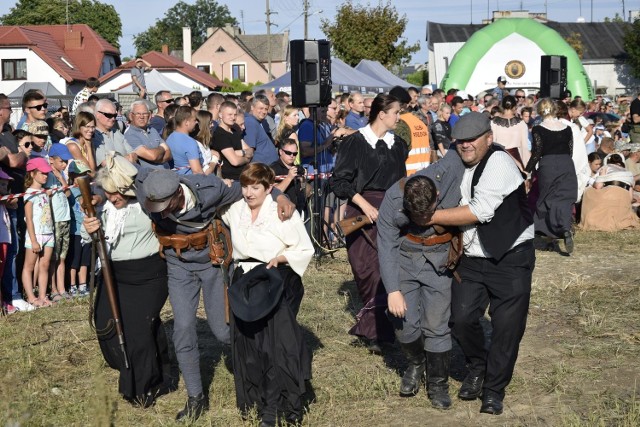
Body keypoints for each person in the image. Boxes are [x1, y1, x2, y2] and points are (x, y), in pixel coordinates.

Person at [135, 167, 295, 421]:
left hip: (212, 262)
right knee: (183, 329)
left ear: (178, 192)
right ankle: (196, 398)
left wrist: (280, 196)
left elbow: (249, 188)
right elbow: (116, 176)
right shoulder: (146, 186)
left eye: (166, 205)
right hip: (178, 265)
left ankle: (261, 367)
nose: (161, 212)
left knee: (222, 330)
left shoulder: (210, 190)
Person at [429, 112, 535, 416]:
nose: (465, 146)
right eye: (460, 140)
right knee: (460, 319)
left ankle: (493, 390)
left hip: (511, 257)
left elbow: (480, 210)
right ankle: (477, 366)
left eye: (471, 139)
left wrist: (431, 218)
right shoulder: (454, 160)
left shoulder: (499, 162)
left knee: (506, 328)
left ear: (489, 138)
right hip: (472, 259)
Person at [220, 163, 314, 426]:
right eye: (245, 187)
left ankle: (277, 407)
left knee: (276, 347)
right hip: (243, 281)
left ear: (268, 188)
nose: (249, 193)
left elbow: (304, 249)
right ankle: (257, 401)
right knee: (249, 345)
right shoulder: (234, 209)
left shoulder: (281, 212)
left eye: (256, 188)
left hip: (274, 278)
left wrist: (281, 257)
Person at [82, 153, 176, 407]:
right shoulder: (102, 208)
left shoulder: (149, 205)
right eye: (108, 192)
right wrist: (90, 227)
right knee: (106, 326)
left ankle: (141, 386)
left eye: (117, 192)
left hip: (149, 275)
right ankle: (157, 366)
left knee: (136, 331)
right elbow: (91, 238)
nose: (113, 197)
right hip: (114, 275)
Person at [377, 149, 466, 408]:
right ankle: (416, 364)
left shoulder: (449, 171)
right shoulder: (392, 200)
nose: (422, 220)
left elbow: (461, 148)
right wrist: (392, 290)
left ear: (437, 197)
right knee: (403, 322)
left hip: (439, 260)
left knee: (437, 324)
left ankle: (437, 384)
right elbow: (386, 246)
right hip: (406, 259)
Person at [330, 94, 409, 351]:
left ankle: (380, 332)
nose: (399, 117)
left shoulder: (398, 144)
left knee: (385, 269)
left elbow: (401, 180)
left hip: (391, 210)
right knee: (364, 268)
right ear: (381, 114)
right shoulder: (354, 142)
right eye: (396, 112)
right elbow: (339, 180)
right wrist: (365, 205)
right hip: (360, 211)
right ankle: (374, 325)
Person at [526, 98, 577, 253]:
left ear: (540, 111)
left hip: (547, 164)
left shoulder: (538, 129)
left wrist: (526, 170)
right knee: (565, 197)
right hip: (566, 163)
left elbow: (537, 153)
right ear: (555, 110)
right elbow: (570, 151)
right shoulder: (567, 128)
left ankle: (548, 235)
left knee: (547, 198)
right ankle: (565, 228)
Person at [22, 157, 55, 308]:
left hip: (49, 234)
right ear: (33, 173)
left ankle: (42, 296)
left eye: (47, 173)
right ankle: (31, 297)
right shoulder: (29, 194)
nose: (46, 176)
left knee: (45, 265)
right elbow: (28, 219)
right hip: (35, 235)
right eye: (42, 173)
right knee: (29, 266)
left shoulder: (44, 192)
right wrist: (34, 240)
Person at [580, 153, 640, 231]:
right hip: (623, 198)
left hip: (610, 194)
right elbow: (630, 197)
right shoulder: (628, 173)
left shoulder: (605, 168)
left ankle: (590, 218)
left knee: (589, 191)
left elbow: (598, 186)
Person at [46, 144, 73, 302]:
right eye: (61, 161)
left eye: (65, 161)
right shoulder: (47, 175)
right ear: (51, 159)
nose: (64, 164)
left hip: (65, 218)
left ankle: (62, 288)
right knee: (54, 257)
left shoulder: (62, 173)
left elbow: (68, 193)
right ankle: (54, 289)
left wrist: (62, 178)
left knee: (62, 257)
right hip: (55, 219)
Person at [124, 100, 172, 170]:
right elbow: (153, 156)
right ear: (131, 116)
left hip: (167, 172)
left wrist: (157, 158)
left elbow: (169, 154)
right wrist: (162, 148)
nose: (141, 117)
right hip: (150, 177)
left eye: (144, 114)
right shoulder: (129, 134)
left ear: (149, 116)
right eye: (138, 113)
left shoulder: (152, 130)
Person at [211, 101, 253, 180]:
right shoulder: (220, 135)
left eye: (235, 115)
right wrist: (245, 157)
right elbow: (235, 161)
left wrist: (239, 153)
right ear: (220, 115)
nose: (233, 117)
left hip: (245, 174)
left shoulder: (235, 129)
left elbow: (250, 151)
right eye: (229, 114)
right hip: (232, 179)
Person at [491, 95, 531, 171]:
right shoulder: (521, 123)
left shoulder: (493, 123)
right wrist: (527, 170)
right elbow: (524, 148)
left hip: (499, 160)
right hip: (516, 160)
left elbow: (493, 144)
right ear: (515, 106)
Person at [93, 99, 136, 167]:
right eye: (109, 115)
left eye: (115, 115)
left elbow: (134, 155)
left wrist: (116, 160)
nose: (113, 118)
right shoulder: (93, 136)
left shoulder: (117, 132)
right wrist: (127, 159)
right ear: (97, 114)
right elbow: (106, 164)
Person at [165, 106, 205, 174]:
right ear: (186, 122)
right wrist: (213, 162)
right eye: (194, 120)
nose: (196, 123)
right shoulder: (189, 142)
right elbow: (197, 171)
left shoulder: (170, 138)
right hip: (190, 180)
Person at [271, 138, 307, 214]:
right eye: (288, 153)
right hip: (282, 212)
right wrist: (289, 178)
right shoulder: (273, 169)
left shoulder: (297, 169)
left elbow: (305, 191)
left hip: (298, 211)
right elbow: (273, 192)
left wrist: (303, 180)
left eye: (295, 154)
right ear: (280, 152)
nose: (292, 156)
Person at [244, 96, 278, 164]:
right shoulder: (250, 122)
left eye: (266, 109)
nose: (264, 112)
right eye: (261, 108)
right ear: (252, 107)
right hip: (260, 169)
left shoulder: (256, 122)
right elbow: (249, 150)